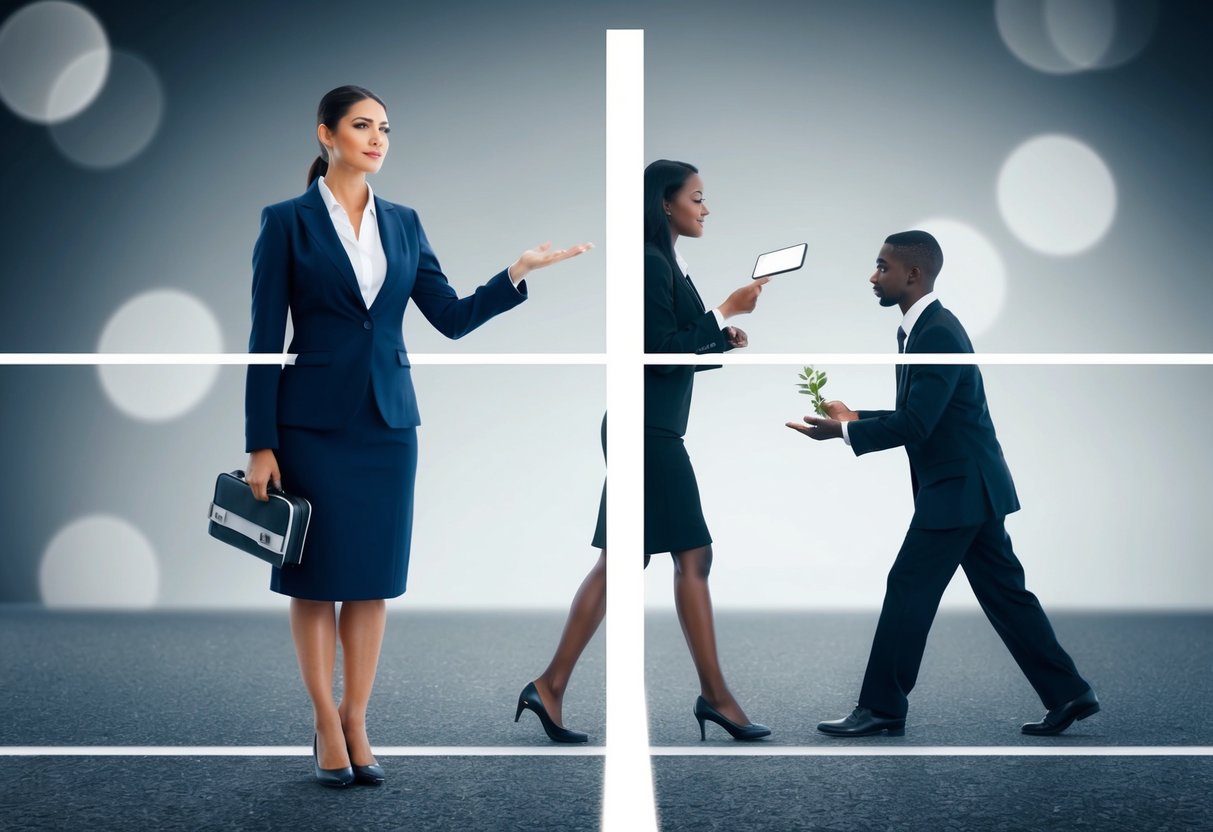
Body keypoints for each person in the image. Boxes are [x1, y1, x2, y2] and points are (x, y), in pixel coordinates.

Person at [244, 85, 590, 785]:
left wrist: (516, 275)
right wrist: (259, 440)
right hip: (306, 425)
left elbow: (451, 317)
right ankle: (322, 721)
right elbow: (260, 339)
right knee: (313, 584)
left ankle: (357, 719)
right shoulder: (285, 223)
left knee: (370, 583)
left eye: (385, 129)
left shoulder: (403, 222)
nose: (377, 138)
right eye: (362, 126)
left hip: (387, 427)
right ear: (326, 135)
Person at [787, 230, 1099, 738]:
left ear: (913, 274)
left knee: (908, 588)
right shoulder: (918, 329)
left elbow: (917, 425)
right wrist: (856, 415)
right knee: (1005, 594)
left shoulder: (936, 333)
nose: (873, 276)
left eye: (882, 267)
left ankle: (883, 707)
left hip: (958, 489)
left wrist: (844, 432)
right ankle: (1069, 693)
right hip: (969, 485)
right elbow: (922, 412)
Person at [515, 160, 769, 743]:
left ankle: (549, 686)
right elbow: (657, 350)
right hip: (646, 430)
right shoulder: (650, 264)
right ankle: (718, 699)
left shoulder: (665, 263)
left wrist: (720, 336)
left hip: (648, 425)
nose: (706, 209)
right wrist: (725, 311)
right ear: (665, 204)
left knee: (622, 562)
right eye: (698, 198)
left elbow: (675, 345)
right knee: (693, 556)